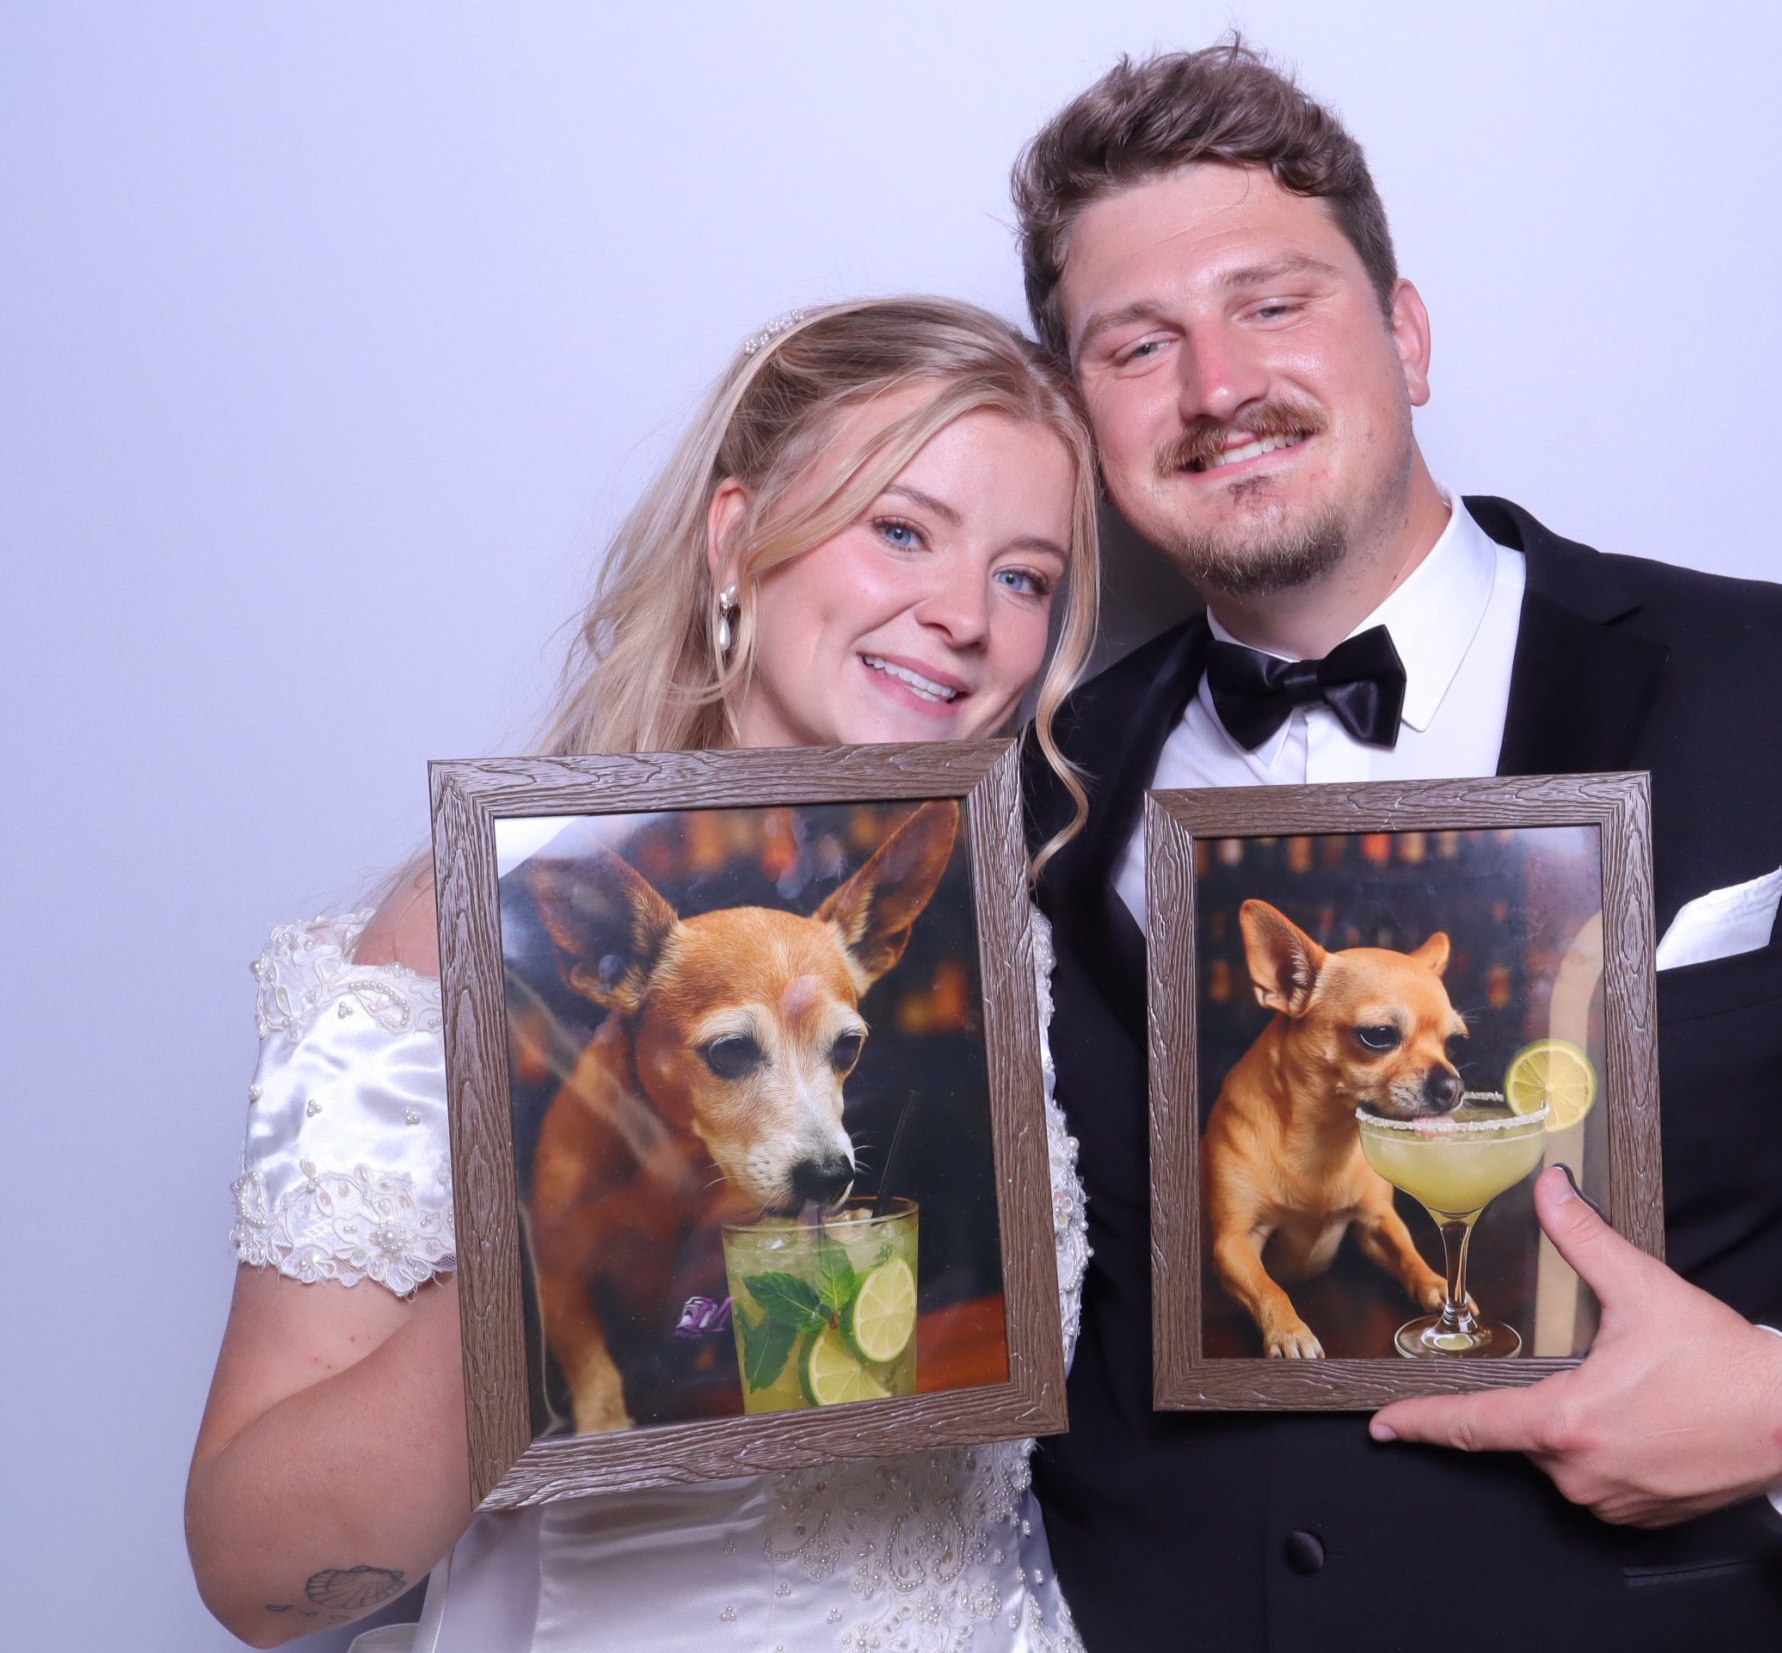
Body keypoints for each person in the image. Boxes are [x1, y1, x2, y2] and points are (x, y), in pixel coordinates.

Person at [1011, 40, 1782, 1650]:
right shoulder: (1030, 778)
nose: (1218, 386)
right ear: (1081, 416)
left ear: (1406, 335)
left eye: (1274, 304)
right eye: (1138, 345)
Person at [186, 296, 1102, 1652]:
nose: (966, 615)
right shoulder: (461, 932)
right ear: (737, 538)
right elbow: (254, 1574)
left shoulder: (1015, 942)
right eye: (903, 530)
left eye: (1026, 576)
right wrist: (544, 1265)